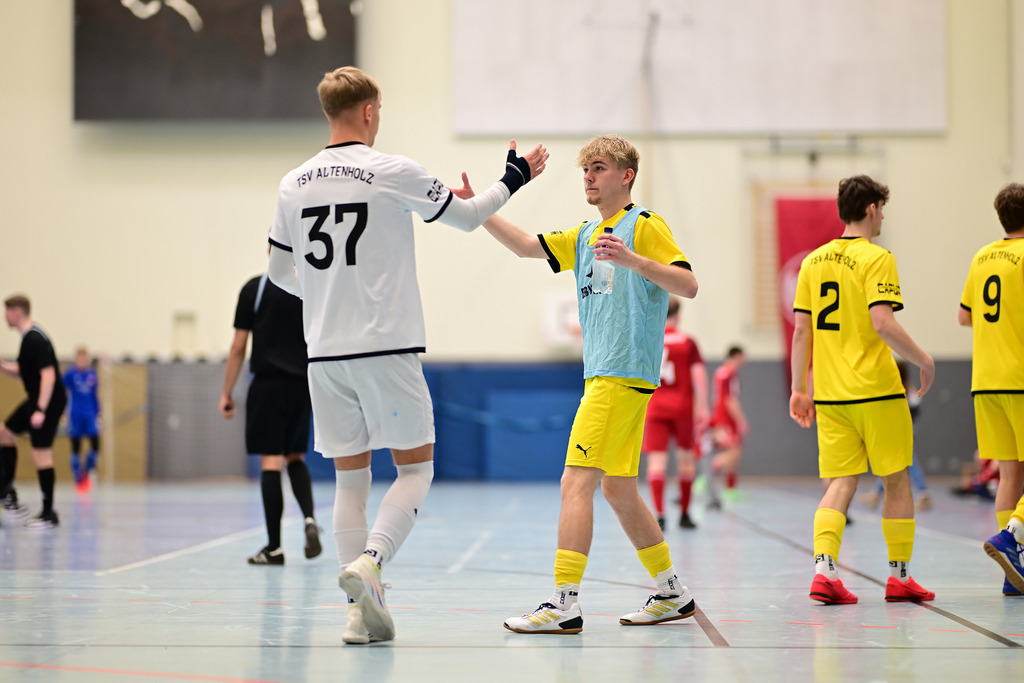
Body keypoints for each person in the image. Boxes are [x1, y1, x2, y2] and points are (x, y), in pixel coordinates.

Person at [266, 66, 547, 644]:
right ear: (369, 111)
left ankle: (358, 615)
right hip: (385, 345)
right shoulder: (391, 170)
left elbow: (277, 272)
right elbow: (469, 218)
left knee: (350, 481)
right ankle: (370, 564)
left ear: (329, 113)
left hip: (323, 353)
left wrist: (325, 293)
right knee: (416, 469)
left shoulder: (292, 184)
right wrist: (513, 178)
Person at [453, 134, 699, 634]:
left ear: (625, 176)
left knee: (575, 484)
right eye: (585, 168)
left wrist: (635, 261)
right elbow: (526, 246)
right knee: (620, 490)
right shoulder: (586, 234)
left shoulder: (644, 226)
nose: (588, 175)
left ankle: (565, 603)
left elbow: (688, 284)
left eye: (599, 167)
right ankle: (672, 591)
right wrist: (476, 208)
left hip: (620, 374)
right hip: (611, 378)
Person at [789, 175, 936, 604]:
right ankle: (900, 576)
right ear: (871, 208)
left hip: (831, 395)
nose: (884, 216)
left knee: (840, 483)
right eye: (883, 209)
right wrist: (923, 360)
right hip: (876, 390)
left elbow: (802, 331)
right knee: (896, 480)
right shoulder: (877, 258)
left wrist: (800, 390)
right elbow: (883, 322)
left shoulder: (812, 262)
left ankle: (824, 571)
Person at [220, 266, 321, 567]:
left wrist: (226, 392)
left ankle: (274, 548)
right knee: (295, 456)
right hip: (302, 384)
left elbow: (238, 346)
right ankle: (309, 519)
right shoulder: (311, 287)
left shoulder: (254, 288)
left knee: (271, 461)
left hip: (268, 385)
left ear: (271, 249)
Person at [958, 181, 1024, 597]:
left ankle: (1013, 571)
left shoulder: (983, 255)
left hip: (985, 381)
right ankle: (1012, 536)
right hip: (1020, 376)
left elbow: (965, 317)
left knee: (1010, 473)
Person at [0, 295, 68, 528]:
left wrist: (40, 409)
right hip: (36, 399)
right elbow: (24, 371)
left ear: (17, 312)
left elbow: (48, 375)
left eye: (7, 311)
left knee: (41, 454)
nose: (5, 316)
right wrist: (2, 366)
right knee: (5, 433)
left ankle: (49, 514)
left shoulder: (34, 339)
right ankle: (7, 493)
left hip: (47, 401)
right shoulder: (28, 338)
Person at [642, 296, 708, 530]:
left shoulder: (650, 339)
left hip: (656, 407)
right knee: (686, 462)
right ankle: (685, 514)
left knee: (656, 463)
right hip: (683, 408)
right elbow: (698, 376)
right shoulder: (688, 342)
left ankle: (660, 515)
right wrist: (703, 406)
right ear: (678, 315)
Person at [860, 360, 931, 512]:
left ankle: (923, 492)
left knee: (908, 460)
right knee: (891, 462)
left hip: (903, 430)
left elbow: (913, 409)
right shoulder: (901, 389)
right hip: (896, 430)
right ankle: (876, 493)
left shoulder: (905, 390)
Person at [705, 346, 748, 505]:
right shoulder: (729, 374)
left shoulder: (719, 372)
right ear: (735, 356)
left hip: (719, 416)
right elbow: (730, 399)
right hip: (726, 419)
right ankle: (708, 472)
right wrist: (740, 419)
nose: (745, 361)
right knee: (734, 451)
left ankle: (730, 489)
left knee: (734, 452)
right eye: (743, 357)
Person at [63, 347, 101, 491]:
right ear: (75, 359)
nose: (82, 361)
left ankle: (87, 470)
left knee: (95, 446)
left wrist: (98, 412)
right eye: (80, 358)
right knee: (76, 447)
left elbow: (95, 395)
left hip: (90, 415)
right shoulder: (70, 374)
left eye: (85, 359)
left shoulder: (92, 374)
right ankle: (78, 478)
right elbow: (61, 391)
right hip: (75, 415)